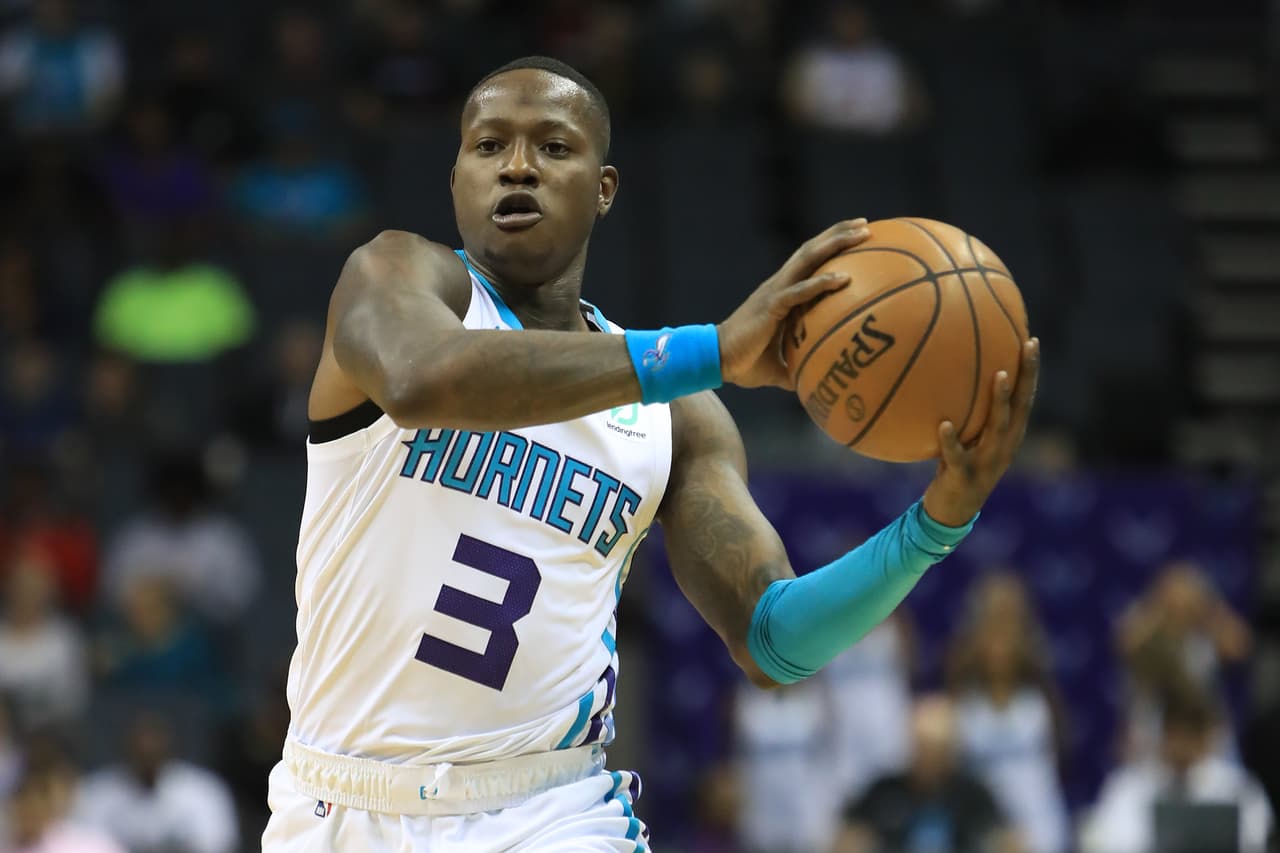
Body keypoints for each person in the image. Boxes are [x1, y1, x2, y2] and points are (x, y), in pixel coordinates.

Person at [263, 55, 1039, 851]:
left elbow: (776, 641)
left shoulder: (676, 418)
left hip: (547, 807)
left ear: (604, 188)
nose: (518, 165)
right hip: (338, 801)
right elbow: (421, 380)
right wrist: (709, 351)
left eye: (553, 147)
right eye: (489, 146)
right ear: (457, 176)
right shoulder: (393, 275)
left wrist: (937, 523)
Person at [948, 574, 1071, 853]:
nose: (999, 647)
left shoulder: (1038, 699)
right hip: (982, 824)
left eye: (1007, 633)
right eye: (991, 633)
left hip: (1037, 819)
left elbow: (1058, 754)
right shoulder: (964, 699)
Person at [1080, 685, 1273, 853]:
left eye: (1193, 732)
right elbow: (1104, 842)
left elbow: (1256, 841)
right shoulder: (1126, 787)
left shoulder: (1238, 789)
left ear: (1208, 737)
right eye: (1177, 732)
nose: (1184, 743)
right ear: (1164, 733)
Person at [832, 695, 1022, 853]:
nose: (928, 758)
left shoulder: (974, 793)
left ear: (951, 750)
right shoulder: (883, 790)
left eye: (936, 749)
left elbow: (1010, 841)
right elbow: (846, 839)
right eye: (922, 747)